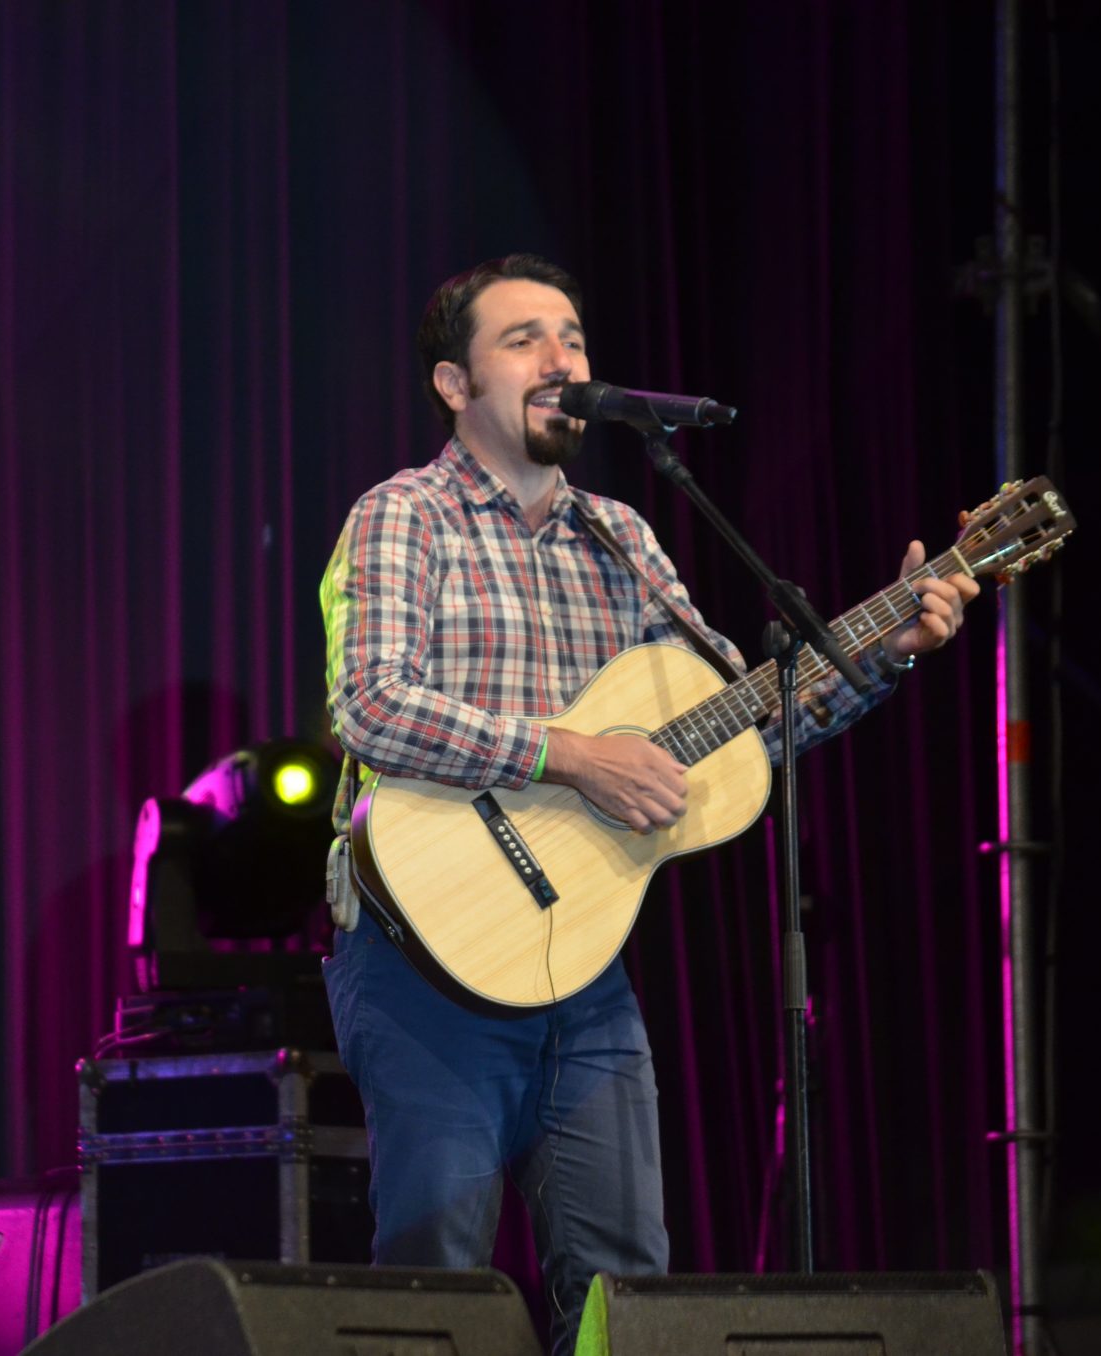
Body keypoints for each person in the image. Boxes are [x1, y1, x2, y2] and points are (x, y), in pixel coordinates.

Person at [318, 254, 977, 1355]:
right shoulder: (403, 518)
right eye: (522, 338)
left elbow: (743, 726)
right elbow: (372, 710)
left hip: (583, 968)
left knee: (626, 1287)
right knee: (431, 1285)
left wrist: (882, 651)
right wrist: (569, 756)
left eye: (571, 336)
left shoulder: (621, 536)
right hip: (417, 961)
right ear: (452, 385)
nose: (561, 357)